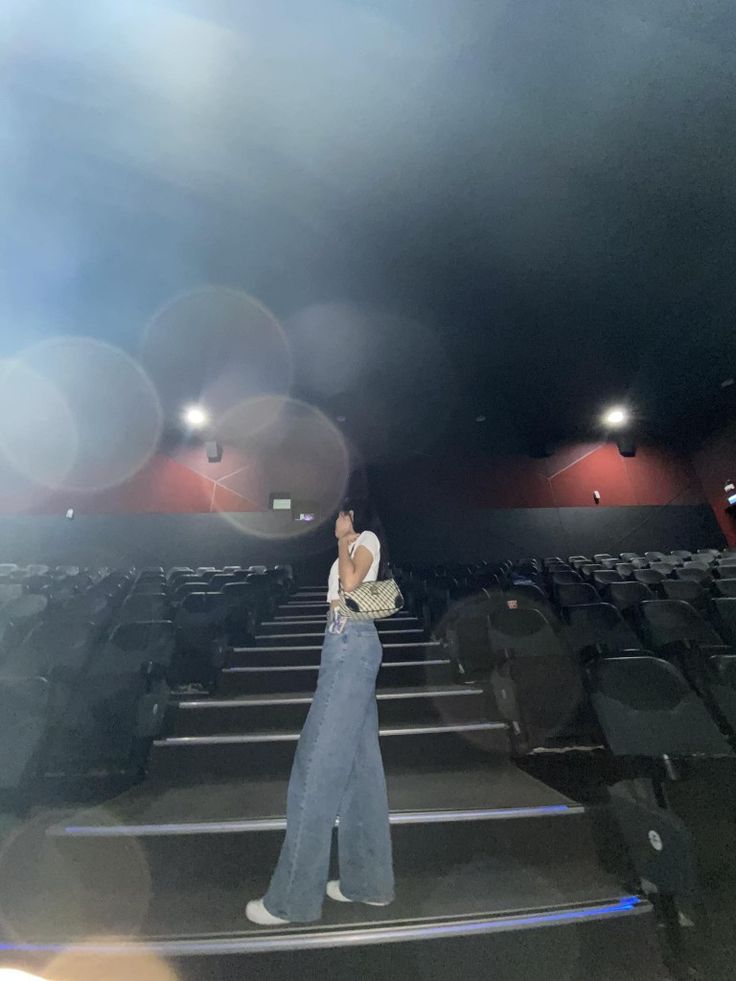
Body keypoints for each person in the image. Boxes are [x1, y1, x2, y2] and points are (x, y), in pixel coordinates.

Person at [245, 497, 395, 925]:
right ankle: (369, 883)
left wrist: (344, 539)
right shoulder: (357, 542)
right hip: (348, 645)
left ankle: (292, 900)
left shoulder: (363, 539)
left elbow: (349, 588)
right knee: (361, 771)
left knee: (314, 767)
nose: (337, 519)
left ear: (355, 515)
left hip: (350, 644)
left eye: (343, 513)